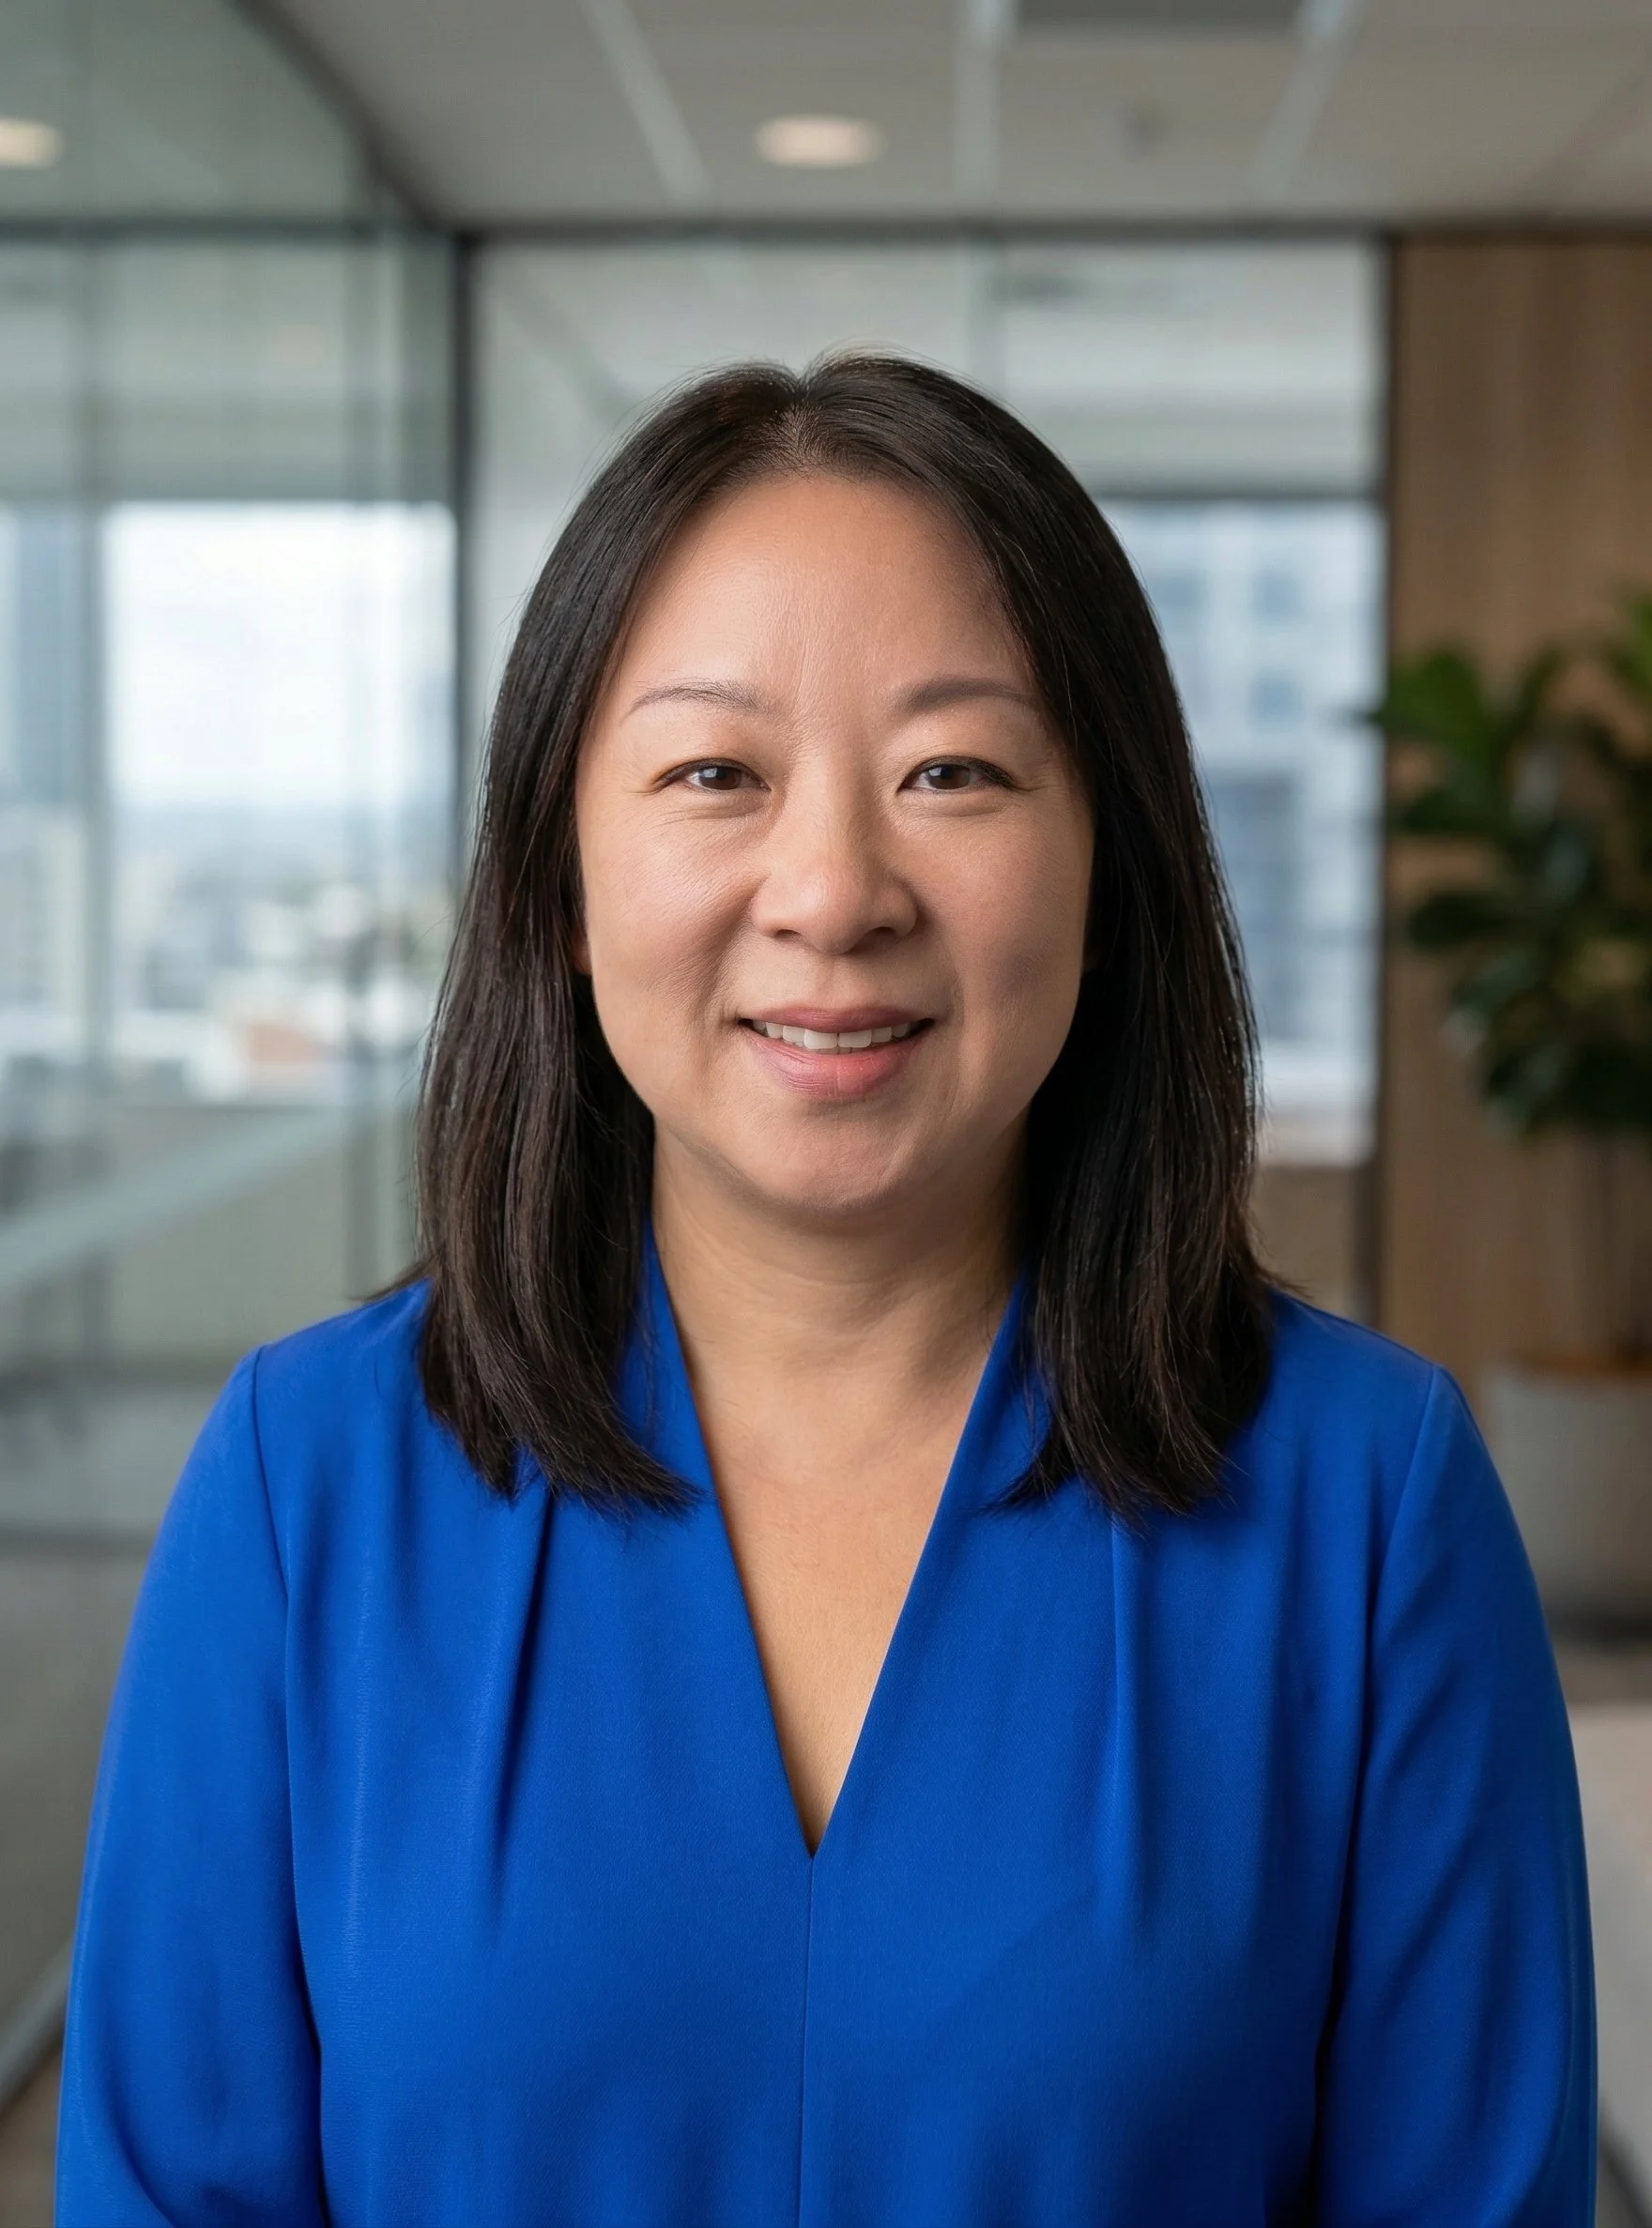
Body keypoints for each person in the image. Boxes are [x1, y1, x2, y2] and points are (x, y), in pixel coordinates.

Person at [56, 356, 1594, 2225]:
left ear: (1108, 864)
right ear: (558, 878)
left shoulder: (1371, 1499)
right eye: (716, 773)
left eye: (953, 771)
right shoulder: (304, 1490)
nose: (834, 887)